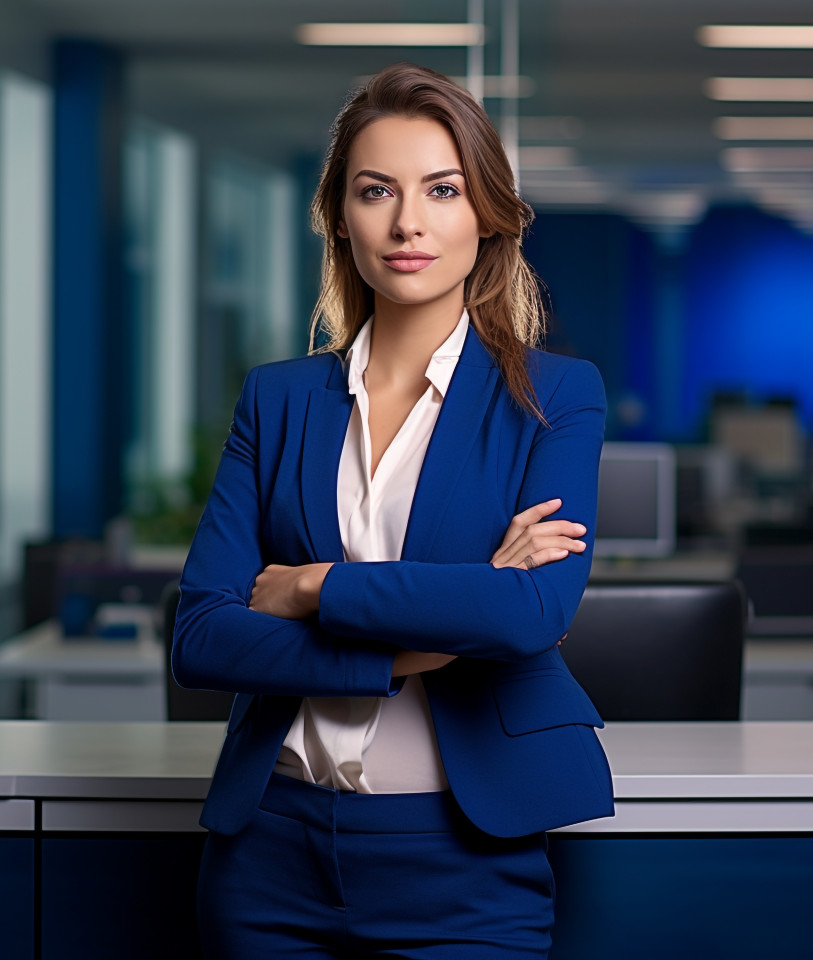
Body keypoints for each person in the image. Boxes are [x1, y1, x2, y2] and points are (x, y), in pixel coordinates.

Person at [173, 62, 612, 960]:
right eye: (376, 191)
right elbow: (202, 638)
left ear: (487, 213)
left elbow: (532, 613)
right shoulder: (276, 399)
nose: (408, 223)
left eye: (442, 190)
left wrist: (311, 588)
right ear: (340, 215)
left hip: (465, 863)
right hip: (266, 855)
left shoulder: (556, 397)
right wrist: (436, 632)